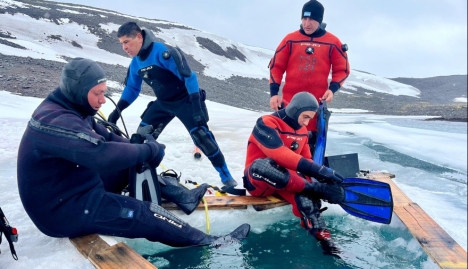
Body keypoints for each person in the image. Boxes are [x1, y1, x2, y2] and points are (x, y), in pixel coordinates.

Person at [17, 58, 250, 247]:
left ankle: (184, 196)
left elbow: (109, 138)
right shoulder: (54, 120)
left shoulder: (75, 108)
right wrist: (148, 151)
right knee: (141, 213)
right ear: (77, 91)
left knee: (132, 163)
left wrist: (140, 146)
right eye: (96, 94)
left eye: (103, 92)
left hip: (75, 186)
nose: (102, 101)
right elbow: (100, 155)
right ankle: (207, 241)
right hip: (60, 211)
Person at [107, 22, 238, 190]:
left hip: (185, 100)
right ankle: (137, 179)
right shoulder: (135, 64)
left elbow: (189, 78)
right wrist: (117, 112)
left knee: (202, 137)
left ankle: (227, 177)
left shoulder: (162, 52)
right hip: (163, 103)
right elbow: (132, 89)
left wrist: (197, 106)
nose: (124, 47)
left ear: (139, 37)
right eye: (122, 44)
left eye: (126, 42)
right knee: (140, 139)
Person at [243, 92, 344, 255]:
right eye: (305, 116)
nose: (306, 122)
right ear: (295, 109)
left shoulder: (302, 131)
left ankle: (324, 239)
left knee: (306, 198)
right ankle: (313, 189)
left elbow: (307, 161)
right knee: (265, 165)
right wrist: (320, 173)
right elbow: (278, 153)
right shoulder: (266, 123)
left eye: (310, 118)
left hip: (286, 182)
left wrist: (325, 180)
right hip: (258, 180)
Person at [269, 0, 350, 152]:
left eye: (311, 19)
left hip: (315, 109)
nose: (307, 23)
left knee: (310, 150)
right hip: (289, 105)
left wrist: (332, 89)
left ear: (319, 20)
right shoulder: (290, 39)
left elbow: (342, 70)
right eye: (304, 19)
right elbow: (276, 67)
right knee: (285, 146)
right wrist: (274, 94)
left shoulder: (333, 42)